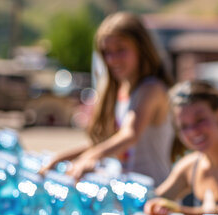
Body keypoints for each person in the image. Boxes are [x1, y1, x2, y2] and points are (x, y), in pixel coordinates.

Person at [40, 12, 174, 186]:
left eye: (121, 49)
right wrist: (60, 158)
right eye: (107, 52)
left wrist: (91, 156)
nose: (112, 59)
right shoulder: (122, 89)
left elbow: (129, 135)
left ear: (141, 48)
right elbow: (107, 142)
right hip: (129, 192)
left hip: (154, 193)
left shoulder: (151, 89)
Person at [144, 80, 218, 215]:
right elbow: (153, 199)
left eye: (200, 120)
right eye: (184, 126)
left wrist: (177, 211)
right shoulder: (191, 165)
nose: (193, 131)